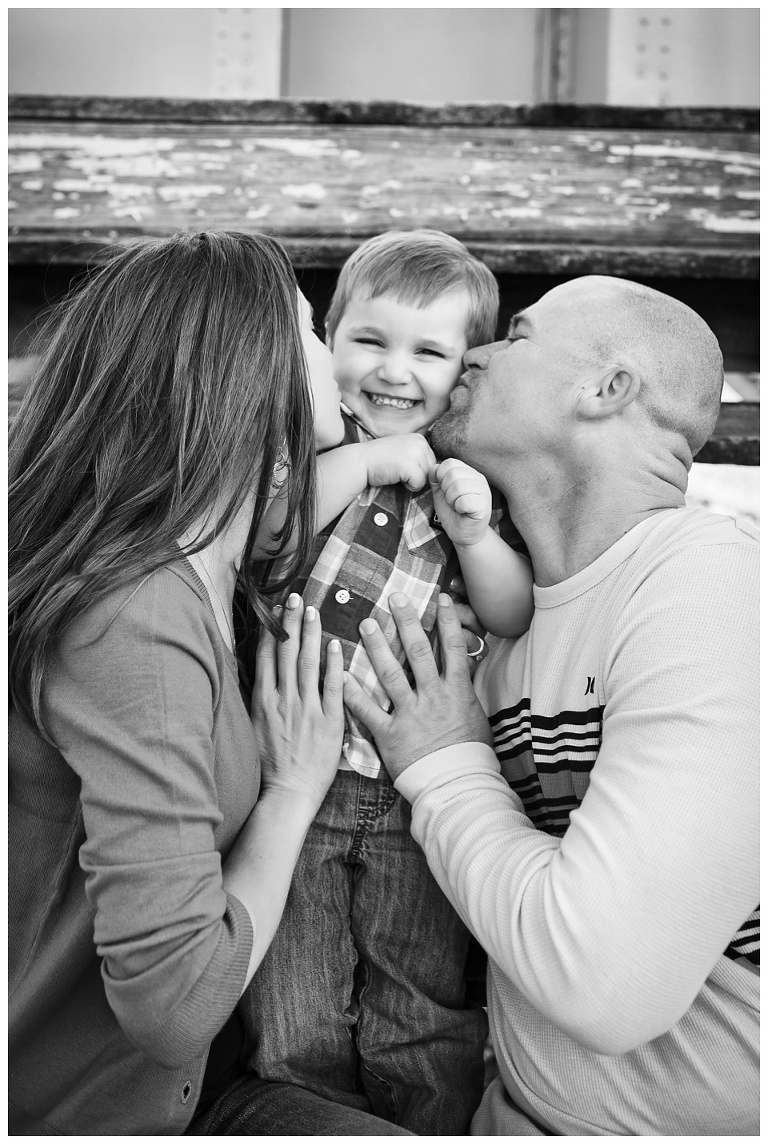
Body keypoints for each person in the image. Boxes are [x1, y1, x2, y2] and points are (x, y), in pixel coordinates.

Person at [8, 231, 414, 1136]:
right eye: (312, 328)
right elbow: (177, 1004)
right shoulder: (136, 617)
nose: (331, 353)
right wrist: (293, 791)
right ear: (247, 359)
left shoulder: (216, 564)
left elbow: (290, 520)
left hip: (208, 1085)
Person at [344, 275, 759, 1136]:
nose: (476, 353)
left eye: (519, 335)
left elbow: (607, 984)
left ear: (607, 389)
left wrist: (446, 765)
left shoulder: (716, 588)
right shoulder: (500, 626)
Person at [239, 230, 533, 1134]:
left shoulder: (474, 480)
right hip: (300, 776)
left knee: (421, 994)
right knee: (296, 994)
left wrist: (475, 536)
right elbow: (266, 537)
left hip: (418, 791)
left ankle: (426, 1125)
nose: (394, 371)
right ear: (329, 339)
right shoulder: (308, 450)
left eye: (429, 353)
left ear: (465, 370)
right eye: (370, 340)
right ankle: (310, 1115)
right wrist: (365, 463)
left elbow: (513, 611)